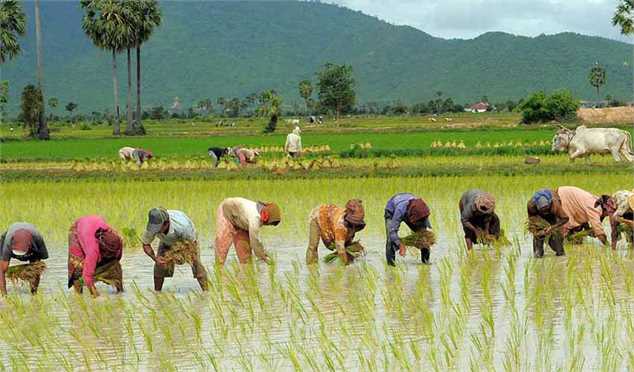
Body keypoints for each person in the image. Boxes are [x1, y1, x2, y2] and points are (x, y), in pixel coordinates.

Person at [141, 208, 208, 291]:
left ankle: (206, 293)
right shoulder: (151, 228)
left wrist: (178, 255)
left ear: (166, 223)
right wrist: (155, 258)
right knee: (159, 266)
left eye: (158, 228)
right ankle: (157, 293)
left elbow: (192, 245)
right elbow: (146, 244)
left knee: (196, 263)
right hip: (166, 241)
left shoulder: (183, 226)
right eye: (154, 228)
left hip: (188, 241)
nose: (155, 231)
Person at [68, 215, 123, 297]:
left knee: (114, 266)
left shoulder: (117, 239)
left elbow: (117, 259)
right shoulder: (93, 250)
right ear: (102, 248)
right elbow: (87, 276)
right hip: (78, 229)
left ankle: (120, 292)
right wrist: (95, 295)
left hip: (93, 224)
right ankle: (78, 296)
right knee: (77, 269)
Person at [215, 198, 281, 265]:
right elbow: (254, 240)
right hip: (227, 212)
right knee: (221, 255)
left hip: (241, 221)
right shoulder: (255, 218)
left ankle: (243, 275)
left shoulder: (257, 215)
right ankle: (219, 273)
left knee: (246, 261)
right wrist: (264, 257)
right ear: (266, 217)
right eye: (269, 223)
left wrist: (262, 254)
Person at [306, 199, 366, 265]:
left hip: (331, 216)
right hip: (318, 215)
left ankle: (329, 261)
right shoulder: (340, 226)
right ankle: (311, 266)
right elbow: (340, 249)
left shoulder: (353, 222)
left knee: (350, 248)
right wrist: (346, 266)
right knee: (313, 246)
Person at [0, 222, 49, 295]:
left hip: (32, 244)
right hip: (10, 240)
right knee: (2, 267)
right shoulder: (8, 240)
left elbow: (37, 267)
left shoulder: (38, 238)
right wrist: (5, 296)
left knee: (35, 268)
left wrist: (34, 295)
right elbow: (2, 270)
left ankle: (34, 293)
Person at [384, 193, 432, 266]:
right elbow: (392, 232)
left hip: (411, 209)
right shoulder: (400, 210)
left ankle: (426, 262)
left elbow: (425, 227)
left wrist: (423, 236)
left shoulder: (422, 210)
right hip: (392, 210)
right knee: (390, 240)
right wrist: (400, 244)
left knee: (424, 237)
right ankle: (391, 266)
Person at [527, 189, 569, 257]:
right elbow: (532, 222)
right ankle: (538, 255)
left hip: (552, 217)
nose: (545, 212)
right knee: (538, 253)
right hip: (539, 218)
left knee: (559, 249)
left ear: (550, 204)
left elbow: (565, 218)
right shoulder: (531, 206)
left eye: (546, 209)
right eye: (542, 210)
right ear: (537, 207)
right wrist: (540, 232)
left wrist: (552, 227)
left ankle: (559, 252)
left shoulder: (555, 205)